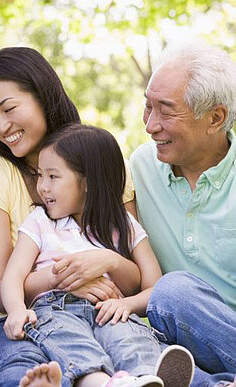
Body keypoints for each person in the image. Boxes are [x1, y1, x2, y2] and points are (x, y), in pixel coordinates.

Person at [0, 47, 138, 386]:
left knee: (133, 353)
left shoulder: (102, 160)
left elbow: (133, 268)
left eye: (9, 109)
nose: (1, 126)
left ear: (43, 96)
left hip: (108, 314)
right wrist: (71, 277)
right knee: (21, 367)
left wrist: (105, 263)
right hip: (25, 319)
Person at [1, 124, 194, 386]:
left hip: (110, 309)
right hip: (57, 309)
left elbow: (154, 287)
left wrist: (126, 304)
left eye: (53, 177)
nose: (42, 187)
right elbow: (13, 277)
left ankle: (146, 378)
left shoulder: (123, 224)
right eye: (40, 175)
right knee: (73, 344)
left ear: (88, 183)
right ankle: (101, 382)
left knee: (129, 338)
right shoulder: (40, 221)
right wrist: (16, 310)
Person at [129, 42, 236, 386]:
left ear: (215, 118)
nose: (150, 125)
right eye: (147, 107)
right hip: (174, 339)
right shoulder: (139, 168)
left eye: (165, 111)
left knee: (174, 292)